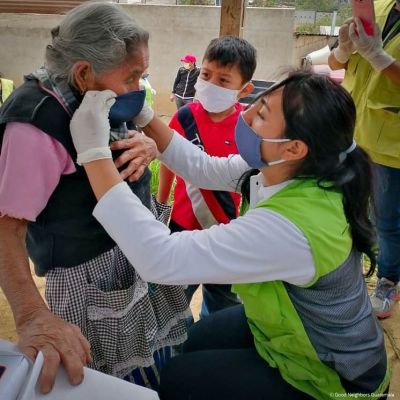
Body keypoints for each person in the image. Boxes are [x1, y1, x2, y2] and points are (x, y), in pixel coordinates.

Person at [70, 70, 390, 399]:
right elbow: (202, 167)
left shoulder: (293, 228)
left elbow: (161, 258)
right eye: (257, 103)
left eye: (262, 115)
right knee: (195, 339)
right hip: (291, 333)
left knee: (180, 378)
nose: (246, 115)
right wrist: (144, 114)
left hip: (333, 378)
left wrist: (93, 154)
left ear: (294, 148)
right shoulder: (287, 169)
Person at [0, 2, 189, 394]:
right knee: (113, 385)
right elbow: (6, 228)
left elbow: (126, 140)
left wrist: (148, 146)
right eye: (133, 76)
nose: (139, 87)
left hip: (134, 258)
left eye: (143, 75)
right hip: (91, 281)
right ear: (83, 72)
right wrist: (32, 315)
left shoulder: (96, 93)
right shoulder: (34, 126)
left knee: (160, 366)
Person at [157, 36, 256, 319]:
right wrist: (161, 203)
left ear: (244, 89)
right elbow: (167, 161)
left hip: (226, 232)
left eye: (224, 80)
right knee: (172, 304)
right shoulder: (184, 117)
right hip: (182, 227)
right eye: (206, 75)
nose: (211, 84)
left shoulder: (249, 126)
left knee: (223, 306)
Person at [328, 0, 400, 319]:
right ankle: (350, 269)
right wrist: (344, 50)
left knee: (387, 220)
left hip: (391, 143)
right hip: (351, 132)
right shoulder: (376, 7)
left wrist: (379, 57)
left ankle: (388, 280)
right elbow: (335, 63)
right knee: (347, 208)